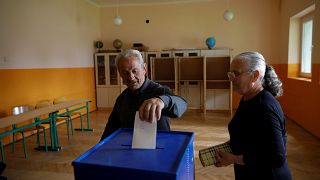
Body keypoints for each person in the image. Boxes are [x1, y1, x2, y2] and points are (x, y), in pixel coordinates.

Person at [214, 52, 292, 180]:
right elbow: (248, 136)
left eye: (236, 74)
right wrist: (227, 148)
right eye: (230, 74)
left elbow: (277, 157)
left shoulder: (266, 108)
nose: (231, 78)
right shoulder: (247, 98)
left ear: (255, 76)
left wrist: (233, 159)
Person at [100, 49, 188, 141]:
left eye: (135, 71)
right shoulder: (121, 99)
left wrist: (162, 101)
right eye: (125, 73)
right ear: (120, 75)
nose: (131, 77)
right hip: (129, 149)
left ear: (144, 68)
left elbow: (182, 104)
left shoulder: (160, 91)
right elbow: (110, 128)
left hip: (159, 148)